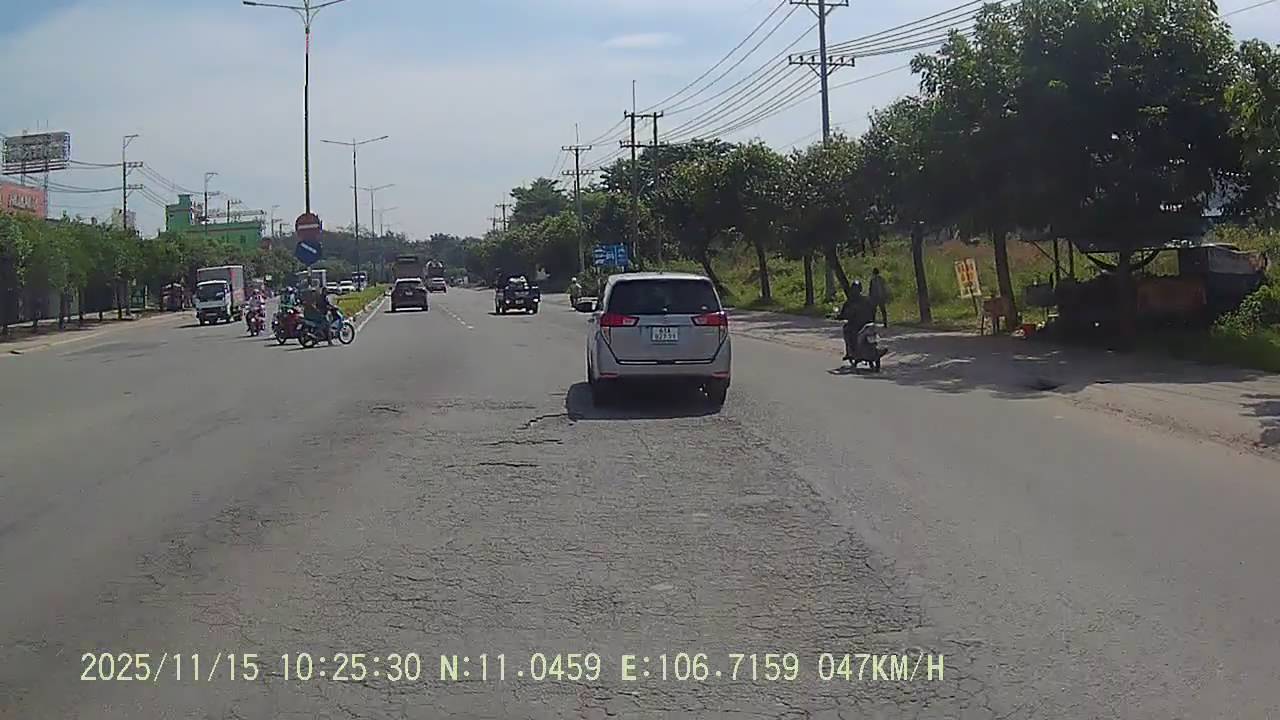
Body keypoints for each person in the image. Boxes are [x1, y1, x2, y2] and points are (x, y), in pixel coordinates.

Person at [836, 281, 875, 361]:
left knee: (847, 330)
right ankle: (852, 351)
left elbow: (844, 313)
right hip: (868, 323)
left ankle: (850, 352)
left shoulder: (850, 301)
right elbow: (873, 310)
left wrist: (840, 316)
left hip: (856, 324)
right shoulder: (866, 299)